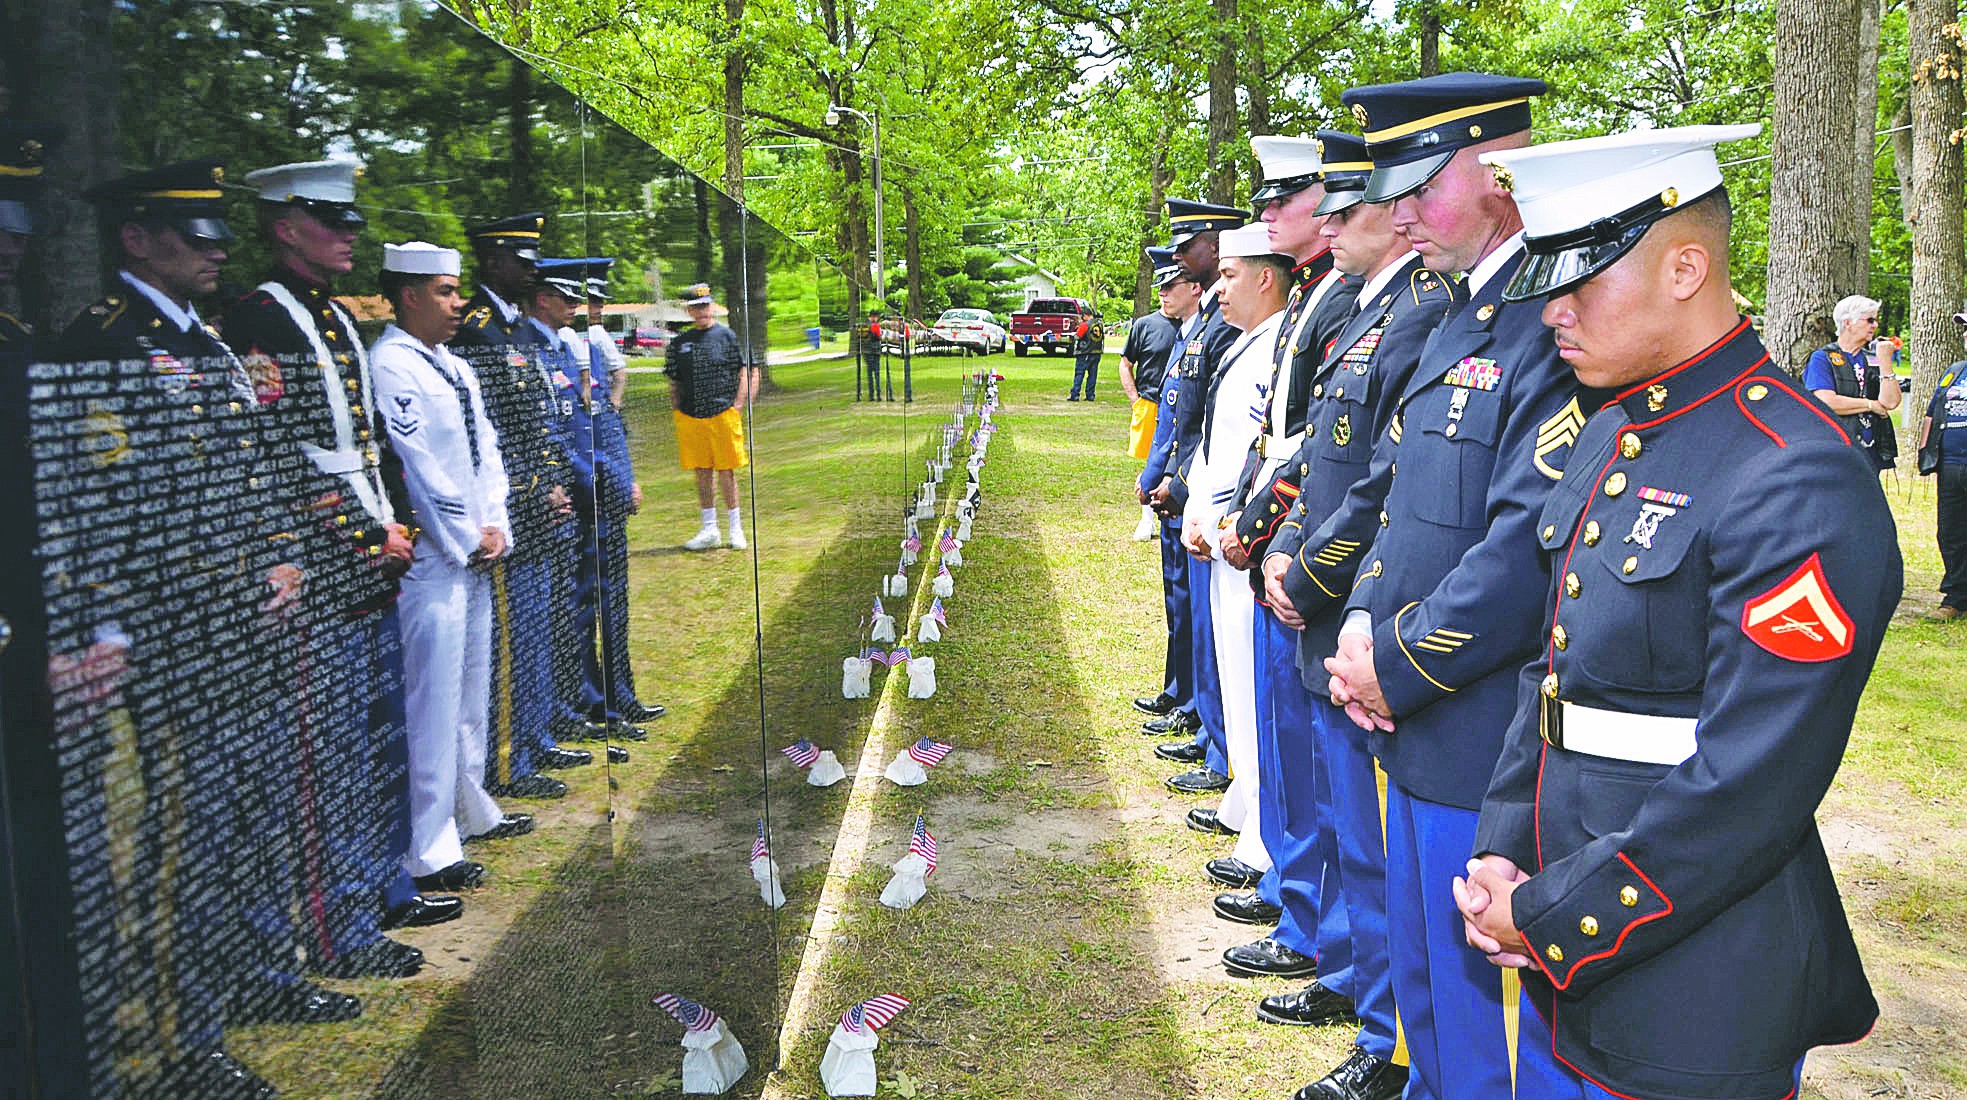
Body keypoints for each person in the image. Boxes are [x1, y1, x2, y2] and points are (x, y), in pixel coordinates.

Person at [1462, 123, 1898, 1100]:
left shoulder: (1790, 472)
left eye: (1581, 282)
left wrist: (1554, 912)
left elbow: (1751, 778)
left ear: (1684, 268)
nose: (1551, 313)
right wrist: (1501, 847)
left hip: (1690, 970)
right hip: (1558, 916)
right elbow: (1556, 667)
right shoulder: (1617, 428)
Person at [1303, 73, 1588, 1100]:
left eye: (1422, 186)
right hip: (1414, 705)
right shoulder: (1460, 315)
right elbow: (1405, 499)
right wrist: (1366, 621)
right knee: (1428, 974)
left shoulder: (1547, 321)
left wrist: (1395, 660)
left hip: (1478, 713)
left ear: (1500, 175)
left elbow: (1520, 549)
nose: (1399, 211)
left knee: (1480, 990)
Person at [56, 160, 350, 1095]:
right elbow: (98, 504)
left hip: (246, 619)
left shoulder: (209, 342)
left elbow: (252, 467)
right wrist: (109, 624)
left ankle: (255, 978)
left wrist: (285, 553)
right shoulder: (103, 344)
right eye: (194, 236)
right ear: (136, 239)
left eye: (220, 235)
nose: (213, 251)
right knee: (189, 838)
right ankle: (185, 1045)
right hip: (177, 634)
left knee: (252, 819)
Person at [1257, 129, 1460, 1100]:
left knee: (1378, 852)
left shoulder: (1422, 313)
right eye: (1327, 211)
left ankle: (1386, 1038)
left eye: (1347, 209)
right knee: (1347, 826)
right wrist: (1287, 547)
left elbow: (1388, 486)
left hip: (1372, 622)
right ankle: (1364, 998)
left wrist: (1314, 574)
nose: (1331, 226)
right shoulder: (1370, 312)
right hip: (1337, 604)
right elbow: (1333, 460)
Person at [223, 159, 436, 977]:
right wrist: (359, 531)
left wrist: (399, 521)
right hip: (324, 559)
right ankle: (338, 927)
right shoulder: (259, 319)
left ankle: (380, 889)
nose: (350, 233)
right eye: (331, 220)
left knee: (378, 736)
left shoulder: (336, 316)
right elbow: (275, 455)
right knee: (331, 759)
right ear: (284, 226)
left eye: (350, 221)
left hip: (375, 547)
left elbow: (369, 441)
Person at [1208, 135, 1352, 998]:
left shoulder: (1351, 300)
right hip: (1282, 543)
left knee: (1315, 767)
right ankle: (1298, 905)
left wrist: (1267, 531)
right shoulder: (1320, 299)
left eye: (1284, 200)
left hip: (1310, 558)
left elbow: (1330, 451)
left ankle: (1313, 926)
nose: (1268, 215)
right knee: (1288, 751)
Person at [369, 241, 532, 895]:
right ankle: (428, 848)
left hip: (473, 549)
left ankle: (470, 806)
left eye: (457, 288)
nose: (457, 300)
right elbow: (415, 466)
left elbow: (484, 450)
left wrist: (496, 523)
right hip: (435, 559)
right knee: (432, 703)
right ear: (408, 296)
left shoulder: (453, 366)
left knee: (470, 691)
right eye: (443, 290)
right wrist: (466, 535)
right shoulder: (391, 364)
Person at [451, 212, 586, 802]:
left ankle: (534, 736)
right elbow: (491, 435)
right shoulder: (477, 331)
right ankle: (508, 762)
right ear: (492, 262)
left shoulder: (516, 332)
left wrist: (556, 484)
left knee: (541, 628)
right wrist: (538, 490)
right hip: (512, 505)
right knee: (515, 637)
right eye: (519, 262)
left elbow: (540, 421)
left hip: (541, 499)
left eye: (534, 263)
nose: (529, 273)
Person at [1178, 222, 1289, 912]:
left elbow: (1265, 452)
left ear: (1265, 278)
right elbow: (1210, 444)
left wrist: (1222, 521)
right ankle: (1245, 801)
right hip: (1215, 530)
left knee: (1252, 688)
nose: (1217, 288)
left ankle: (1259, 834)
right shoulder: (1247, 344)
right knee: (1232, 673)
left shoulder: (1277, 344)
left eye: (1229, 275)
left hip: (1240, 536)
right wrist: (1196, 506)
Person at [1140, 199, 1246, 822]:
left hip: (1205, 502)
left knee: (1207, 625)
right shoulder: (1195, 331)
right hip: (1186, 496)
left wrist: (1178, 487)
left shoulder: (1225, 330)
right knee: (1190, 615)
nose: (1178, 262)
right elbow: (1177, 419)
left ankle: (1214, 740)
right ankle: (1200, 720)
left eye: (1187, 250)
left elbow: (1213, 430)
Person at [665, 282, 754, 551]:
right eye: (696, 307)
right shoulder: (680, 343)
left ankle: (735, 529)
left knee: (727, 472)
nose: (702, 311)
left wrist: (738, 406)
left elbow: (747, 371)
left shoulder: (726, 336)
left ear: (711, 307)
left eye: (705, 306)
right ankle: (709, 528)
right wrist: (678, 410)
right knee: (702, 472)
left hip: (723, 414)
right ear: (689, 312)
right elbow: (674, 381)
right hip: (691, 417)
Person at [1120, 246, 1185, 540]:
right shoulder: (1144, 325)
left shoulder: (1191, 325)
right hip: (1150, 403)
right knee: (1150, 462)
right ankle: (1147, 519)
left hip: (1183, 407)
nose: (1164, 294)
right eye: (1161, 288)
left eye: (1170, 287)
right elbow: (1125, 363)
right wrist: (1135, 399)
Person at [1803, 295, 1901, 472]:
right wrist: (1870, 405)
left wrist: (1885, 361)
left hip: (1871, 450)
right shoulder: (1822, 358)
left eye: (1876, 320)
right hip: (1836, 449)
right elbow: (1827, 402)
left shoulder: (1872, 358)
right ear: (1848, 322)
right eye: (1870, 320)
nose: (1875, 325)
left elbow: (1891, 402)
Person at [1919, 311, 1967, 620]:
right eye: (1965, 330)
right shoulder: (1955, 371)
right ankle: (1956, 597)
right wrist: (1925, 455)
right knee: (1951, 532)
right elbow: (1932, 413)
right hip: (1950, 465)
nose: (1965, 335)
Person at [1067, 311, 1101, 401]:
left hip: (1085, 352)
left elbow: (1078, 336)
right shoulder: (1099, 325)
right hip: (1097, 352)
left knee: (1079, 373)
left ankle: (1075, 394)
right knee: (1092, 375)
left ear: (1086, 316)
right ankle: (1090, 395)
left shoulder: (1085, 325)